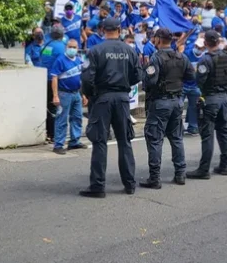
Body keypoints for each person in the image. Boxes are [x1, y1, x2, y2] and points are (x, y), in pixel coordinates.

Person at [80, 17, 142, 198]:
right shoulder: (129, 50)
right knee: (125, 141)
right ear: (119, 29)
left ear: (102, 29)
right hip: (122, 98)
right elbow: (138, 75)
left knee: (100, 141)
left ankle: (98, 186)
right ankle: (129, 183)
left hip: (102, 98)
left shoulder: (95, 50)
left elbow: (86, 78)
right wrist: (123, 86)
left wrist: (91, 94)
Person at [140, 28, 194, 189]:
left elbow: (149, 81)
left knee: (155, 139)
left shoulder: (156, 58)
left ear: (158, 39)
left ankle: (155, 178)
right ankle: (180, 173)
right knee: (176, 138)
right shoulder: (181, 57)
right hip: (176, 101)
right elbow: (191, 76)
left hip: (160, 102)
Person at [188, 31, 227, 179]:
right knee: (224, 132)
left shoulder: (205, 60)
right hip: (224, 98)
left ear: (206, 43)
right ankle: (225, 165)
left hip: (211, 98)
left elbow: (200, 80)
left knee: (207, 135)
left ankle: (204, 169)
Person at [48, 38, 88, 155]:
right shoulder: (60, 60)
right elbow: (54, 78)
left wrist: (84, 94)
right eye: (70, 47)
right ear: (66, 47)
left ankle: (74, 141)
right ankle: (58, 144)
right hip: (64, 94)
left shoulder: (79, 61)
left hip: (76, 94)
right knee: (61, 119)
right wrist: (55, 96)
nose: (72, 49)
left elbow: (82, 78)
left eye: (74, 47)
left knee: (77, 118)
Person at [39, 25, 67, 143]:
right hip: (55, 80)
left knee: (49, 107)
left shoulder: (47, 45)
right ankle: (55, 134)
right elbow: (65, 63)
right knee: (56, 108)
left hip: (44, 78)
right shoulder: (61, 47)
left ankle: (50, 133)